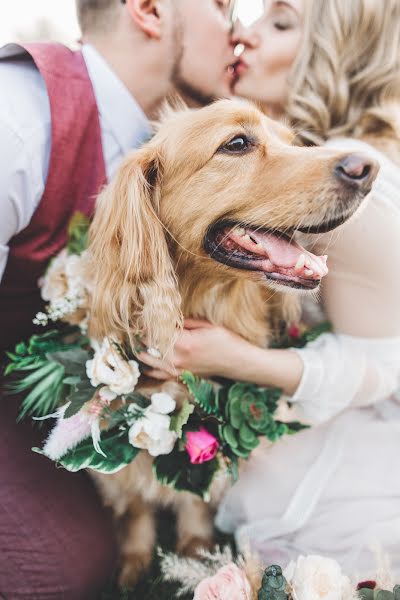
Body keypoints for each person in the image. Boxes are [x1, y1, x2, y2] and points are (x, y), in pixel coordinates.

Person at [139, 0, 400, 576]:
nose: (243, 34)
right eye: (252, 17)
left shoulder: (357, 191)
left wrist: (237, 359)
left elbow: (386, 368)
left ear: (335, 53)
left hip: (333, 481)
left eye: (280, 22)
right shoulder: (298, 161)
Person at [0, 1, 236, 597]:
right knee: (54, 566)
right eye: (223, 6)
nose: (240, 32)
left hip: (88, 408)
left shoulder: (192, 148)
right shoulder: (19, 116)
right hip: (18, 397)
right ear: (151, 10)